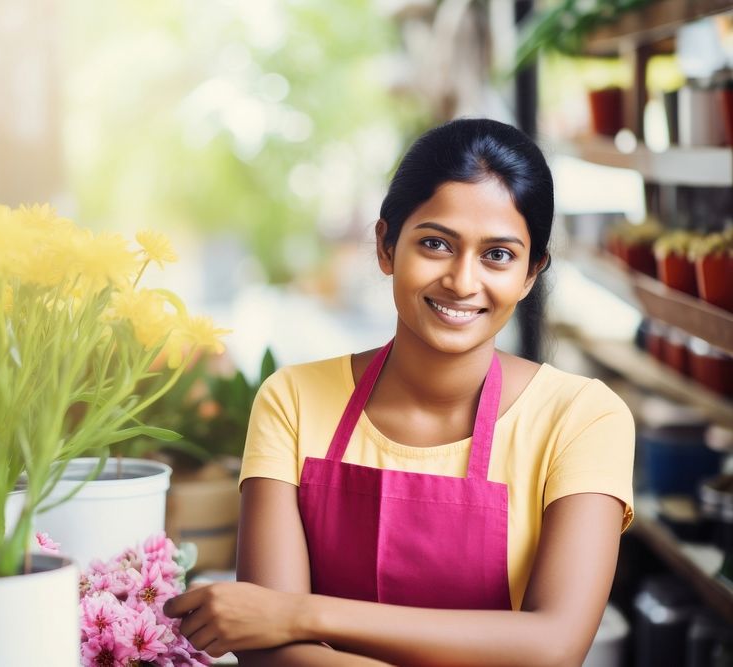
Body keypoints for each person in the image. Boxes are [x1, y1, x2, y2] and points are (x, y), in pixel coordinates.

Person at [163, 117, 635, 666]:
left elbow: (551, 648)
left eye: (498, 255)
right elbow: (268, 654)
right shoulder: (292, 401)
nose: (462, 281)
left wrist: (299, 614)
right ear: (386, 247)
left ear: (531, 274)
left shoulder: (582, 419)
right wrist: (277, 625)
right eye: (436, 244)